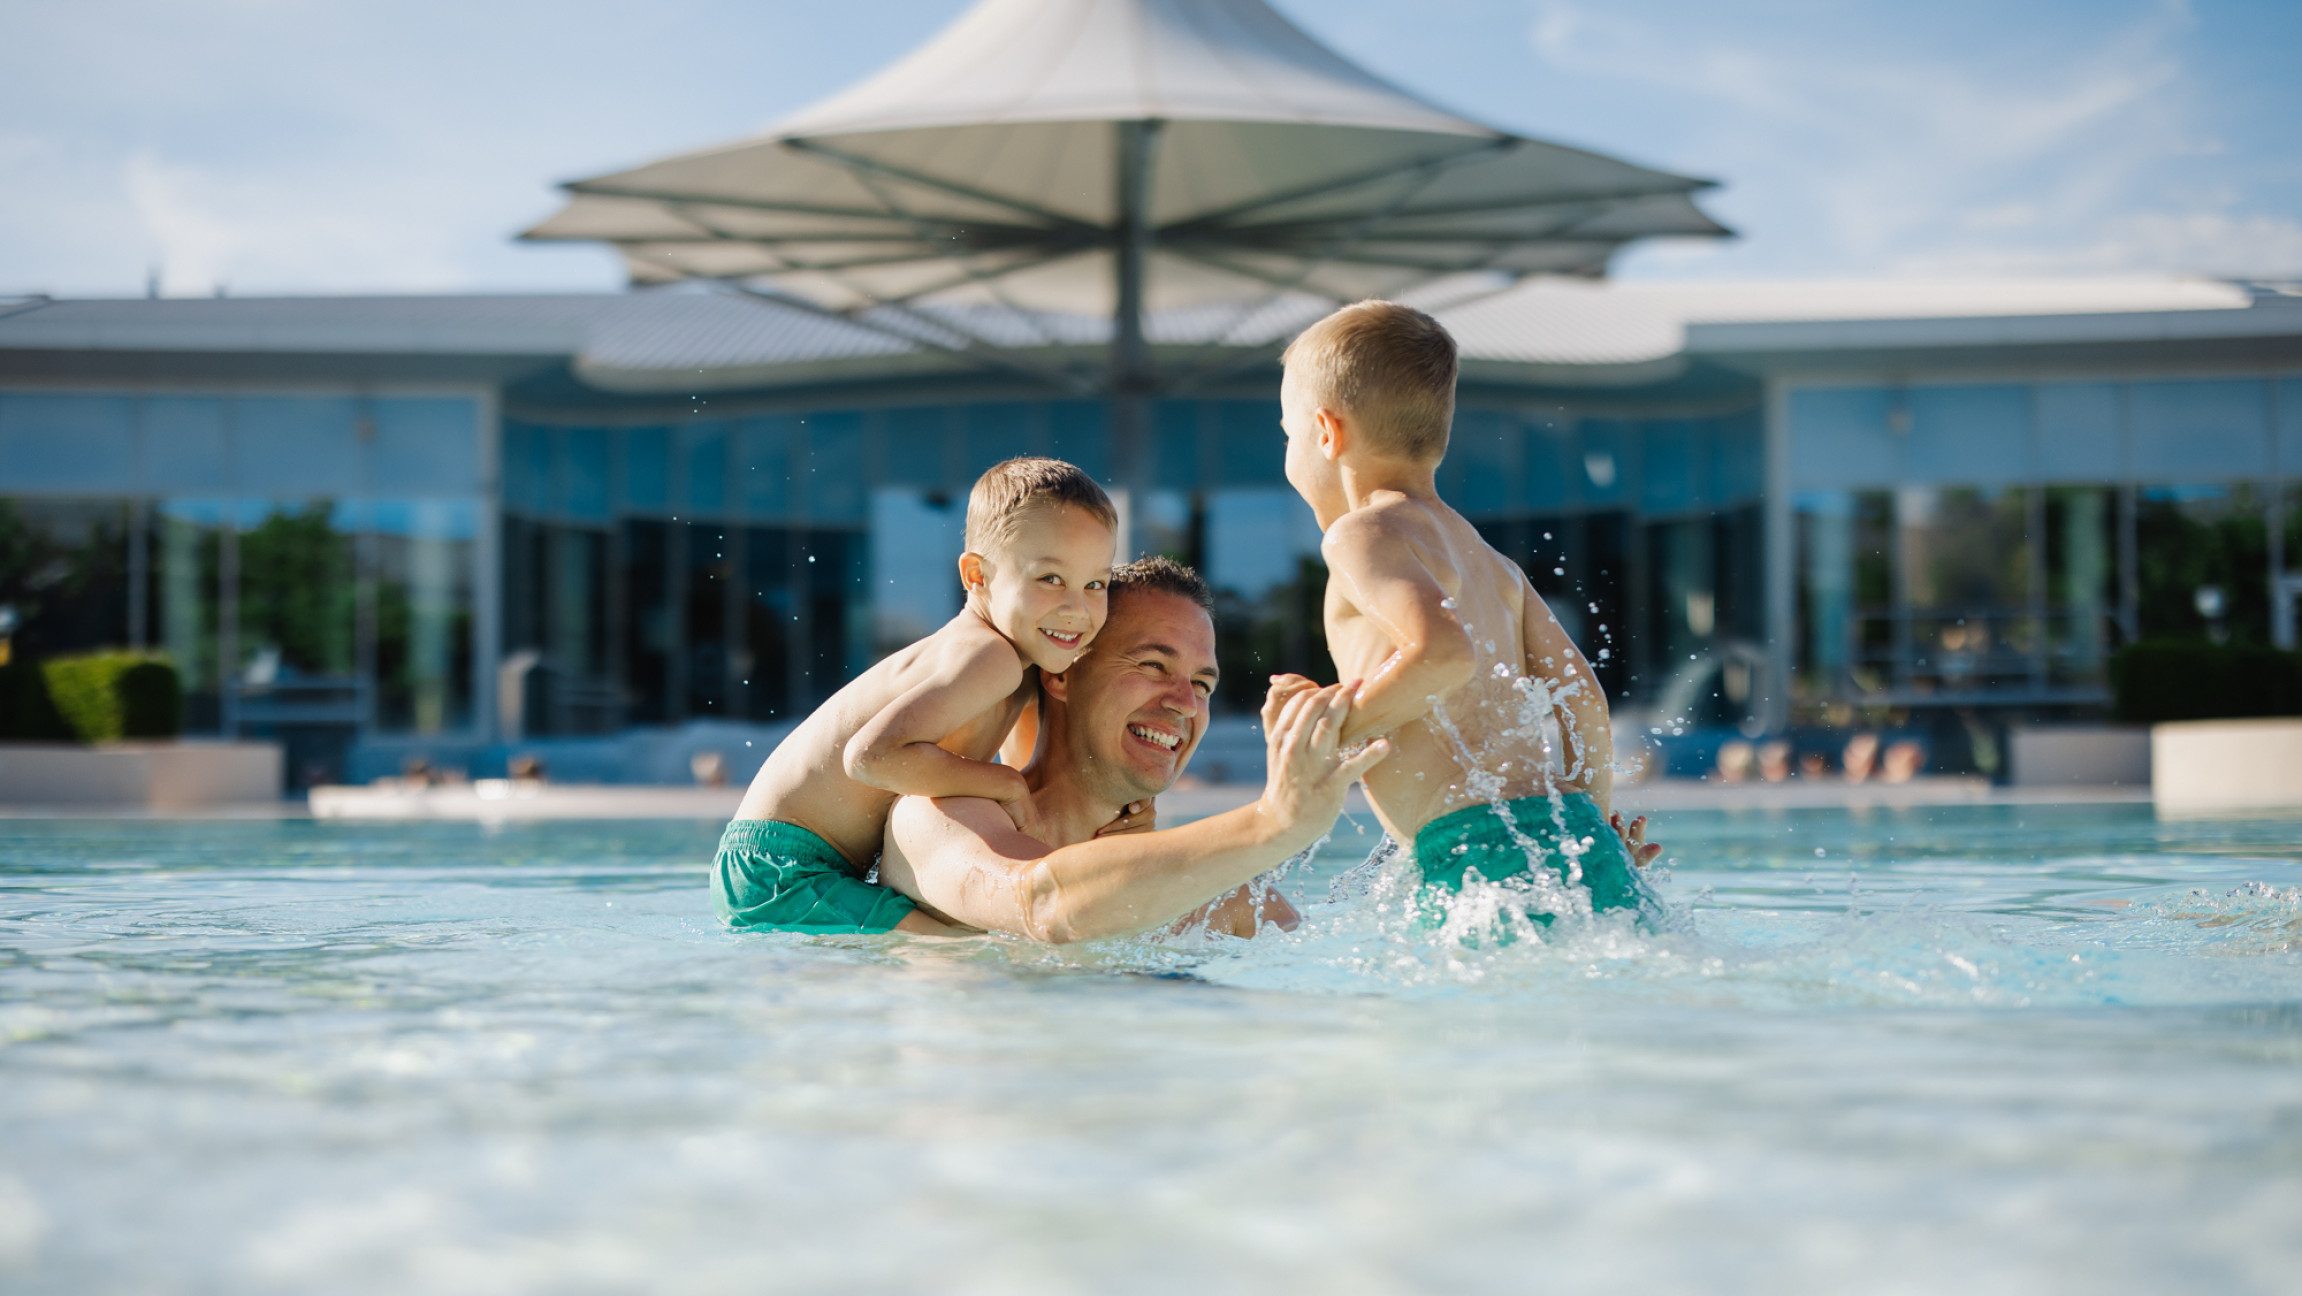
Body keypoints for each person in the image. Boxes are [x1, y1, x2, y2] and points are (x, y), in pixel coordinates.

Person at [1276, 300, 1660, 928]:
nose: (1289, 451)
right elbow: (1582, 695)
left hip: (1476, 854)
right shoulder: (1492, 563)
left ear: (1325, 432)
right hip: (1578, 836)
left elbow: (1445, 654)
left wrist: (1328, 734)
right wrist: (1591, 829)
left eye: (1288, 434)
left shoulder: (1359, 534)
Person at [876, 558, 1388, 942]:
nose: (1186, 703)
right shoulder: (940, 813)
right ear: (1062, 672)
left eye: (1203, 685)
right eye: (1152, 666)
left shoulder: (1224, 904)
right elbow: (1042, 903)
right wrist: (1274, 822)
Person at [713, 457, 1119, 936]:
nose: (1077, 607)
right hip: (782, 868)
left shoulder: (1017, 663)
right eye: (1050, 579)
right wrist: (1003, 783)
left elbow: (1036, 783)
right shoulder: (988, 658)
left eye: (1096, 583)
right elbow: (870, 757)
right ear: (977, 576)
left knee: (976, 943)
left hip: (775, 860)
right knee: (966, 950)